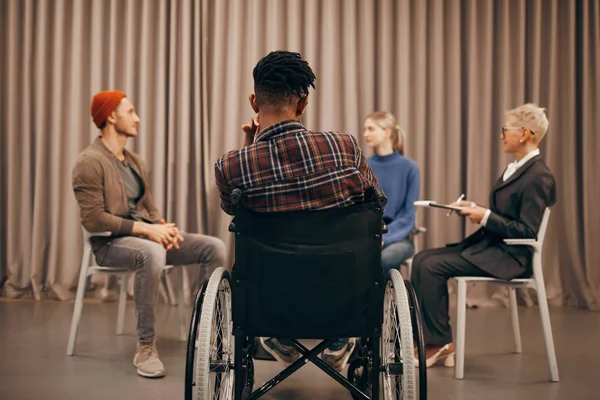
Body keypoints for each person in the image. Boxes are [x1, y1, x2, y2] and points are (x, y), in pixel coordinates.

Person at [215, 51, 379, 372]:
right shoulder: (344, 146)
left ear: (254, 102)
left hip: (270, 303)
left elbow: (232, 207)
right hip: (342, 297)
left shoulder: (230, 165)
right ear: (303, 104)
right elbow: (375, 203)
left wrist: (251, 144)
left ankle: (282, 339)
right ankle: (337, 341)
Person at [72, 90, 227, 378]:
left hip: (144, 238)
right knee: (153, 252)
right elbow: (92, 219)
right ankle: (145, 345)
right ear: (110, 117)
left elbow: (149, 208)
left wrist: (164, 228)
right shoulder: (89, 162)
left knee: (213, 246)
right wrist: (147, 229)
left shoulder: (134, 161)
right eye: (130, 112)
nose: (138, 118)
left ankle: (204, 335)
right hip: (109, 244)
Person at [410, 103, 556, 368]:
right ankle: (431, 339)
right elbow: (506, 214)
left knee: (431, 266)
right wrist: (475, 209)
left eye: (505, 130)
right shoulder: (518, 168)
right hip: (490, 247)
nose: (501, 135)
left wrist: (486, 216)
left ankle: (440, 343)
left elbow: (527, 231)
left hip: (510, 257)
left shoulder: (539, 176)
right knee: (422, 258)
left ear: (523, 133)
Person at [363, 111, 420, 274]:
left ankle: (382, 299)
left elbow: (408, 216)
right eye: (365, 129)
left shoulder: (410, 168)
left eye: (371, 129)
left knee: (383, 260)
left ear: (387, 132)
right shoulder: (364, 166)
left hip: (398, 239)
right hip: (366, 236)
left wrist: (383, 238)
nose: (365, 134)